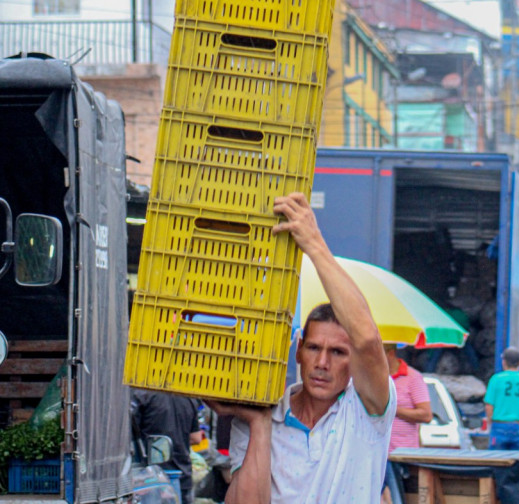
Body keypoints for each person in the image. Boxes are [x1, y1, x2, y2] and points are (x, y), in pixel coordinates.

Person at [212, 192, 396, 504]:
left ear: (354, 362)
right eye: (313, 348)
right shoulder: (266, 414)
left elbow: (366, 337)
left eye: (338, 352)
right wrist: (259, 423)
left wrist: (313, 243)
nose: (322, 362)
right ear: (298, 350)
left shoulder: (366, 410)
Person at [131, 390, 203, 504]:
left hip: (150, 478)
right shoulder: (189, 397)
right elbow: (196, 437)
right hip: (181, 473)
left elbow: (130, 435)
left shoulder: (142, 396)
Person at [381, 345, 432, 504]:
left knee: (397, 498)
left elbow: (426, 415)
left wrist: (393, 409)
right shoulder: (375, 377)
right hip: (377, 451)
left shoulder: (412, 377)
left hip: (400, 454)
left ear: (391, 353)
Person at [484, 347, 519, 450]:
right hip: (518, 426)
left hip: (499, 425)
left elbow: (489, 406)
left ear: (504, 362)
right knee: (516, 461)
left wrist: (491, 422)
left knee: (496, 461)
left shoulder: (496, 379)